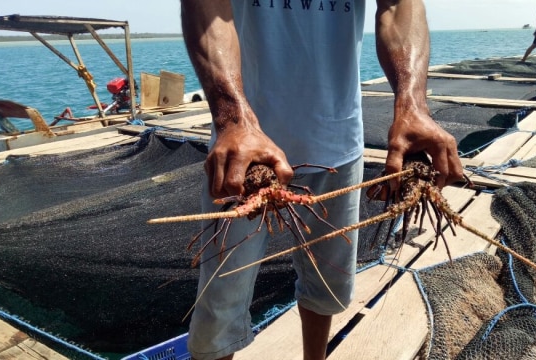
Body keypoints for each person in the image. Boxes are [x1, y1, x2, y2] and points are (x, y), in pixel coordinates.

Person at [180, 1, 464, 360]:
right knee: (219, 300)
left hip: (337, 142)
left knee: (329, 284)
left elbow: (399, 5)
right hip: (243, 154)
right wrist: (232, 118)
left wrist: (413, 106)